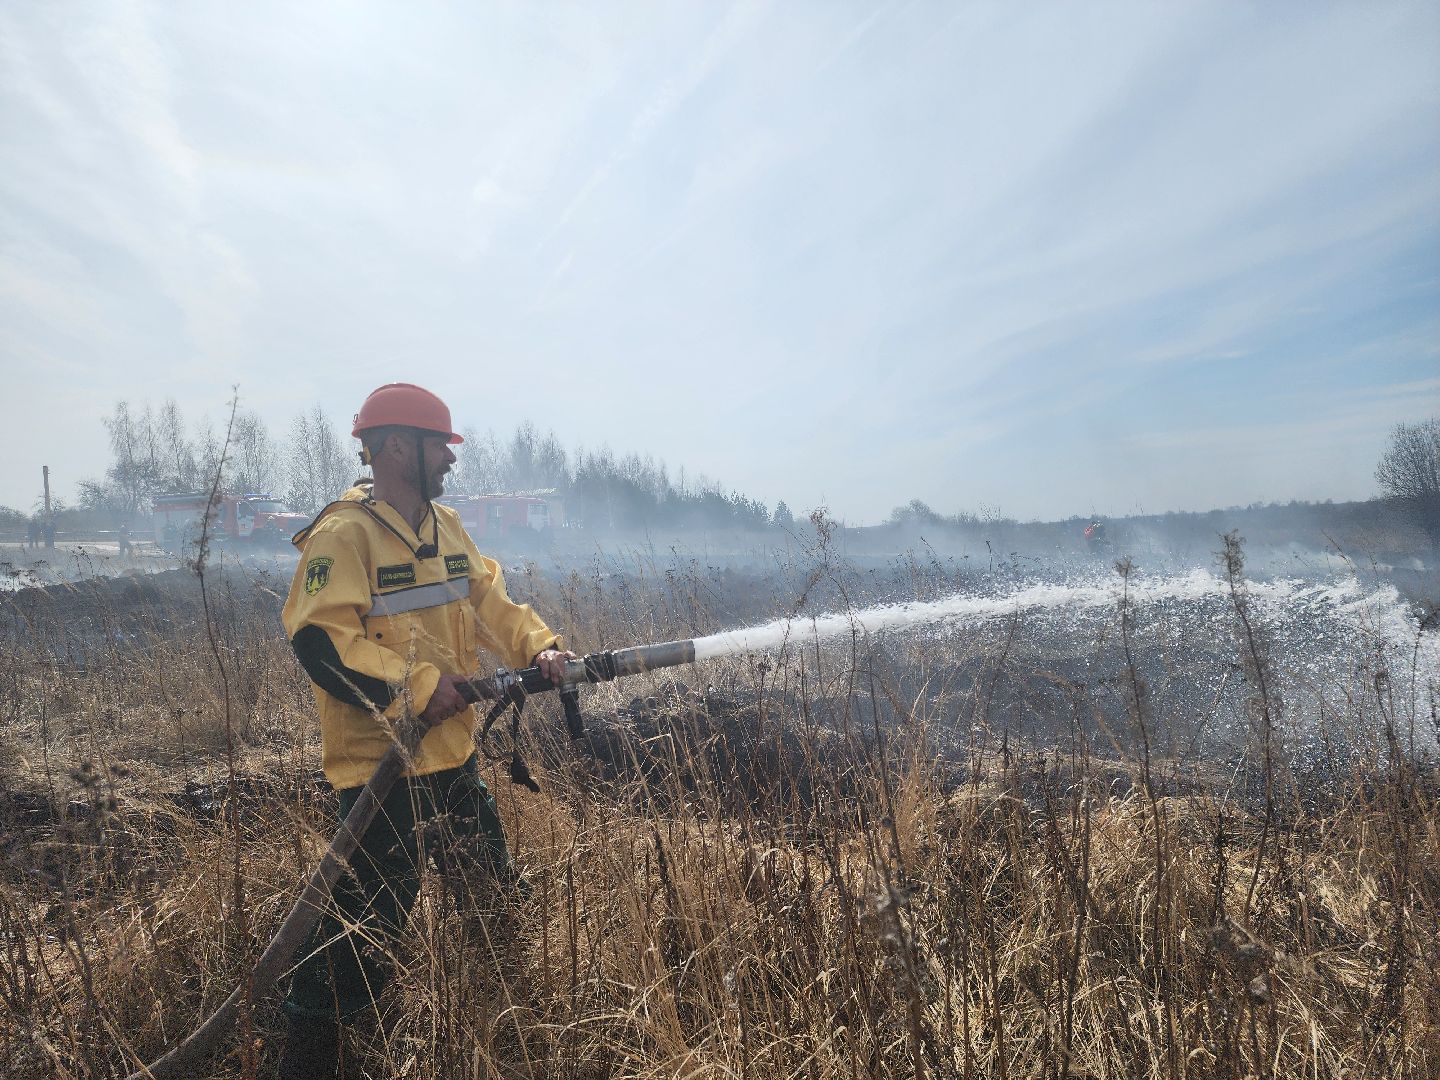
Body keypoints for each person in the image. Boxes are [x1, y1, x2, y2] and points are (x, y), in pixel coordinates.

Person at [277, 382, 576, 1078]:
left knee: (496, 907)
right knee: (358, 946)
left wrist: (538, 648)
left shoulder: (445, 527)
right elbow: (321, 642)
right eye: (439, 444)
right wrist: (417, 687)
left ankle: (511, 1039)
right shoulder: (343, 534)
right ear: (396, 448)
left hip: (453, 762)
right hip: (381, 782)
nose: (449, 458)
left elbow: (488, 600)